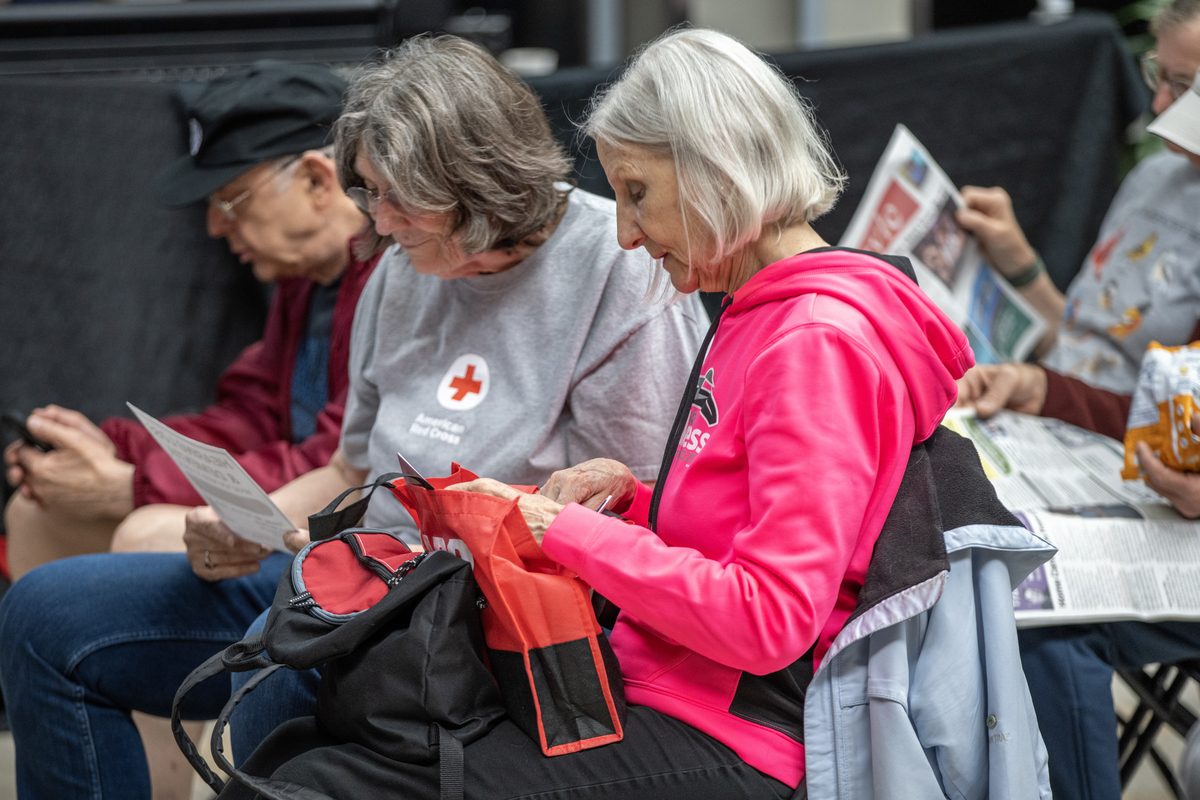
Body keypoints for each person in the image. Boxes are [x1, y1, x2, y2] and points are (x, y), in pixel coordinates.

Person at [223, 29, 1048, 799]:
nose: (623, 233)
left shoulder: (813, 341)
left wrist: (562, 529)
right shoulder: (761, 309)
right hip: (666, 682)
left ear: (718, 170)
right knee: (302, 751)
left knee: (319, 780)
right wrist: (629, 498)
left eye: (637, 193)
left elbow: (770, 619)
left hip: (739, 731)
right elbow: (749, 527)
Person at [0, 36, 706, 800]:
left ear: (476, 183)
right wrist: (248, 522)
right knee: (44, 617)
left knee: (276, 687)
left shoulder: (616, 270)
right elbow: (349, 467)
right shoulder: (401, 269)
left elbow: (626, 513)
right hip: (346, 576)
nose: (374, 219)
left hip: (472, 617)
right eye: (367, 191)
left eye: (394, 196)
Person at [955, 3, 1200, 797]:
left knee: (1035, 621)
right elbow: (1104, 346)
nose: (1159, 104)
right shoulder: (1161, 173)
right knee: (961, 548)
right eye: (1158, 75)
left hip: (1160, 500)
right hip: (1094, 459)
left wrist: (1043, 390)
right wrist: (1022, 268)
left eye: (1186, 86)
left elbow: (1162, 415)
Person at [2, 61, 378, 579]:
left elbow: (340, 464)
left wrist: (132, 483)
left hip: (361, 536)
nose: (214, 225)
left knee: (147, 533)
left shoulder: (394, 279)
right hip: (297, 507)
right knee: (40, 512)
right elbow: (255, 416)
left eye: (231, 199)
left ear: (317, 180)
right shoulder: (307, 278)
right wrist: (115, 447)